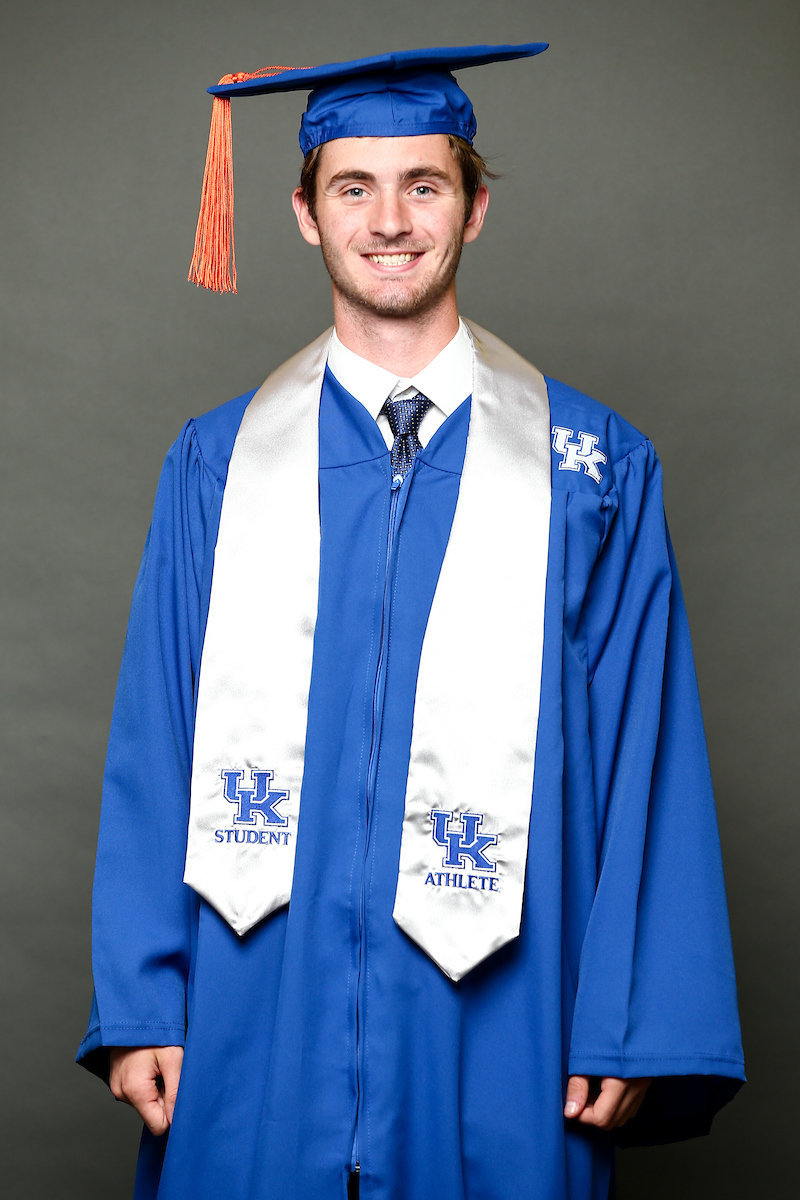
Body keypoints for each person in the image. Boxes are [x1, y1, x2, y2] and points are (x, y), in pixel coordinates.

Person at [77, 44, 745, 1200]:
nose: (389, 221)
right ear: (301, 213)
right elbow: (158, 730)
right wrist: (140, 999)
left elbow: (651, 757)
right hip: (254, 1015)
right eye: (353, 187)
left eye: (423, 185)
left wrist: (633, 1023)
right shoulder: (218, 465)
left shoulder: (588, 471)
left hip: (506, 1024)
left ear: (474, 207)